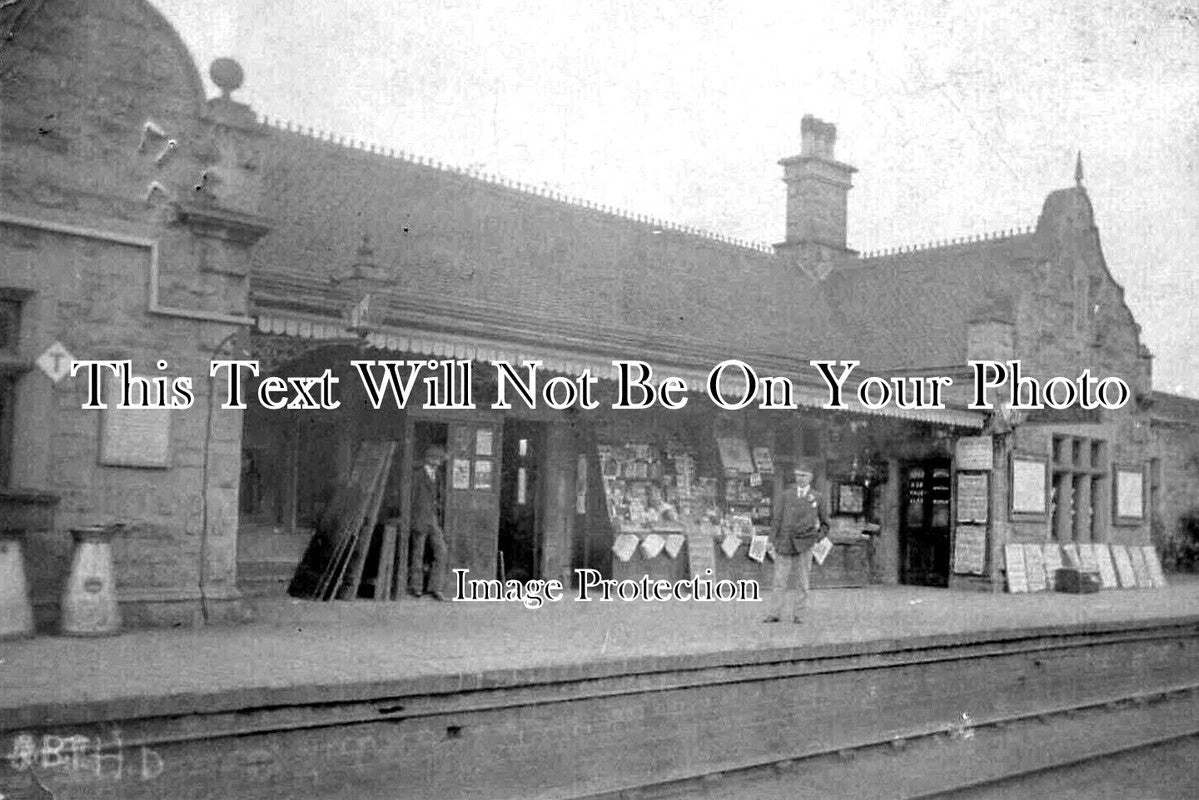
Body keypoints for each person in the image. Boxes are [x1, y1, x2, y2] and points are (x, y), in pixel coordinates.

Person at [764, 465, 829, 624]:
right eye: (798, 475)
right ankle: (774, 613)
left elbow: (825, 523)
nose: (800, 479)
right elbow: (777, 519)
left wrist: (817, 538)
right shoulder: (786, 495)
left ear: (810, 478)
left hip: (805, 543)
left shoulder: (818, 497)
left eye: (804, 476)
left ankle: (799, 615)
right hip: (785, 542)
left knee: (803, 581)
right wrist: (771, 540)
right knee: (779, 580)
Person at [409, 445, 448, 601]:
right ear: (431, 459)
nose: (440, 462)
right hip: (419, 517)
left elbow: (438, 496)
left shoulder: (437, 475)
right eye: (438, 459)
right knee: (418, 553)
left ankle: (435, 587)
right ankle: (416, 587)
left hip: (432, 518)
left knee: (441, 550)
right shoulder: (418, 475)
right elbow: (411, 498)